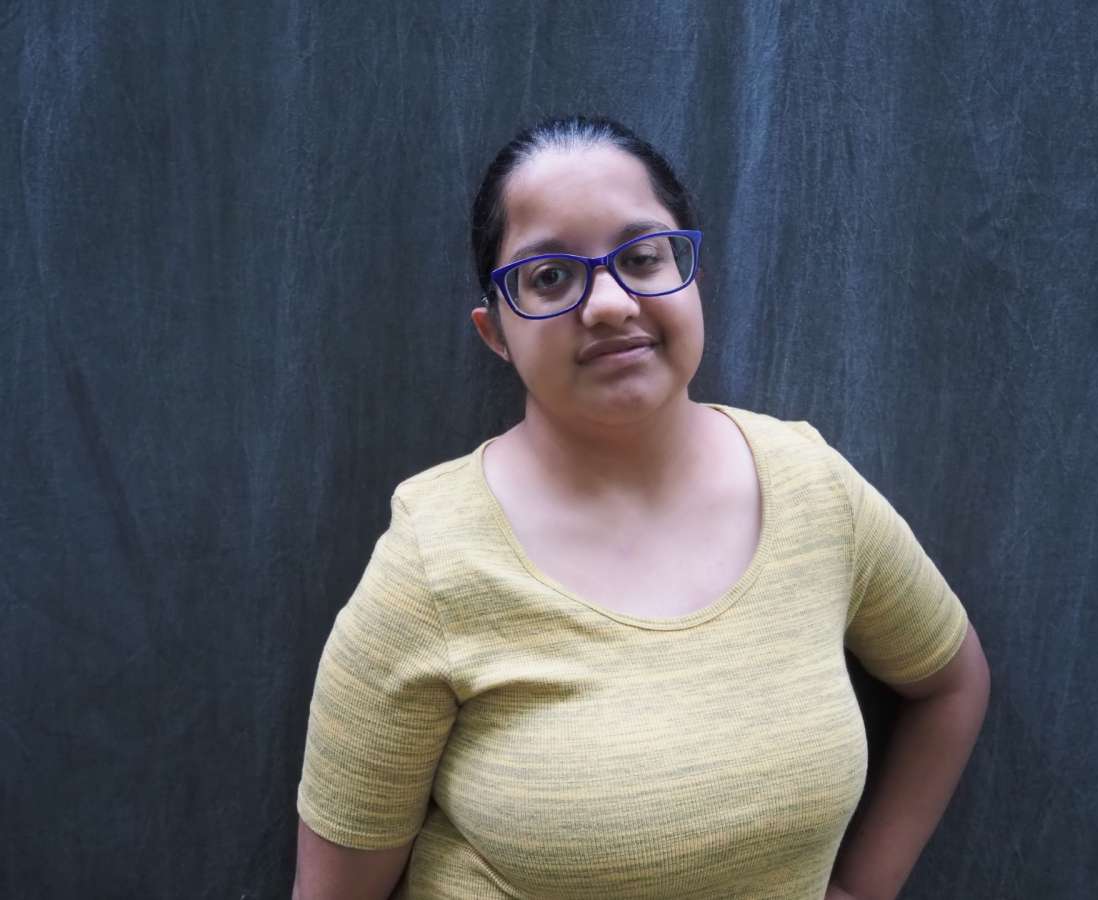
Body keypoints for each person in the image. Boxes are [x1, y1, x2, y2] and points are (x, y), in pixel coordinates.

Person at [292, 115, 990, 900]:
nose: (610, 303)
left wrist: (865, 889)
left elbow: (951, 682)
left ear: (691, 275)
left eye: (643, 256)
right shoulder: (434, 560)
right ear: (496, 332)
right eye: (549, 276)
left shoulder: (812, 487)